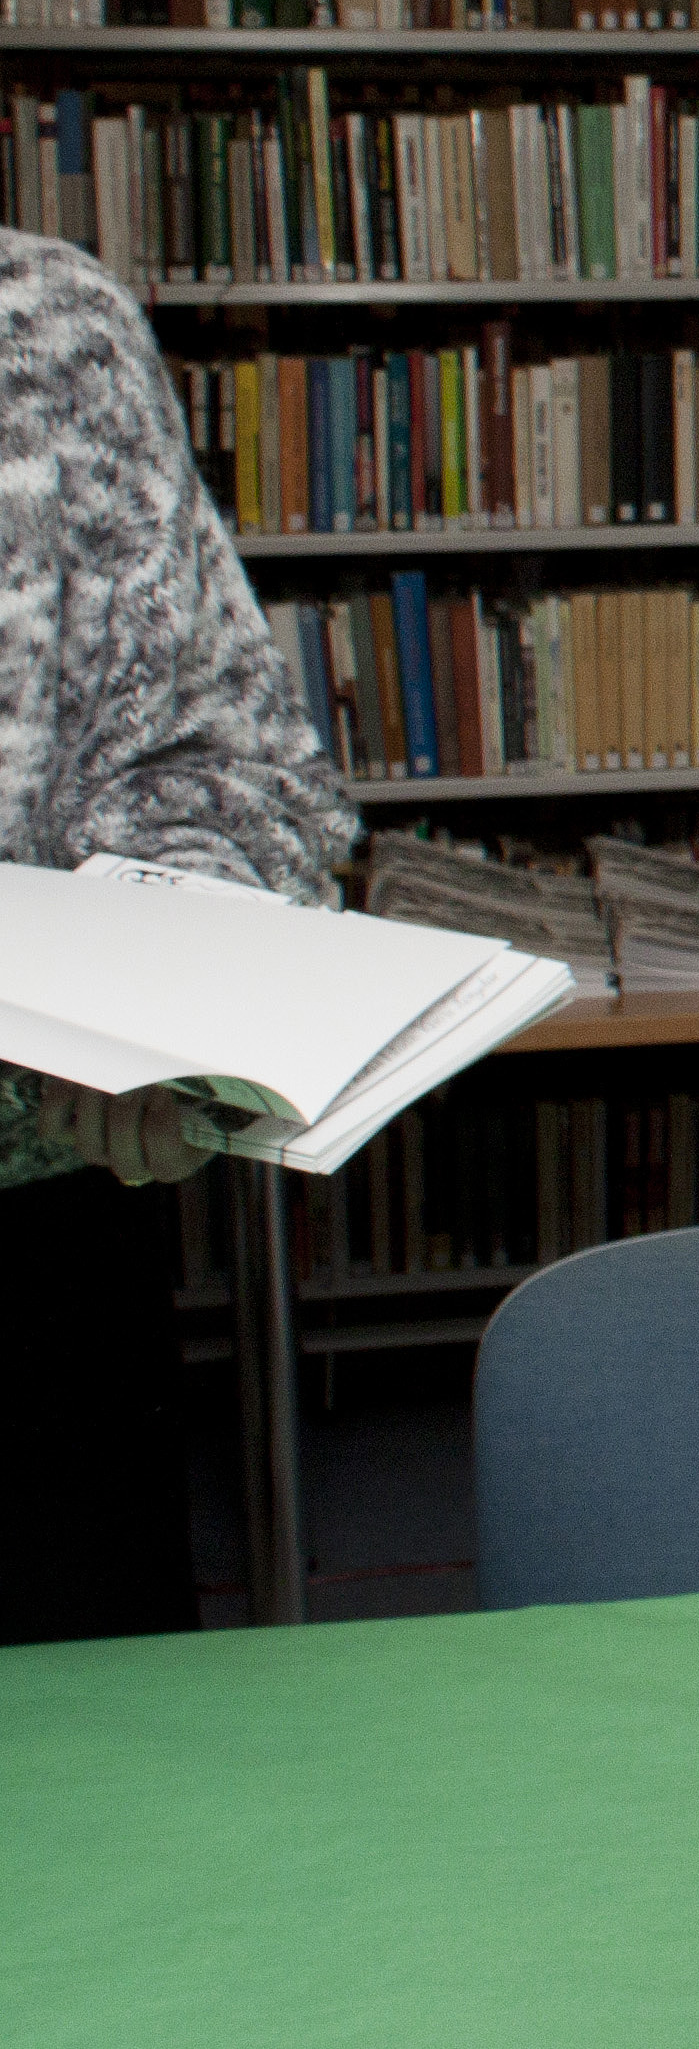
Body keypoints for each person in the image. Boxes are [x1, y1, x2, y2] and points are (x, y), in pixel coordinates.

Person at [0, 222, 359, 1640]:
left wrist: (156, 992)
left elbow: (227, 767)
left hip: (36, 1240)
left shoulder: (48, 330)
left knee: (98, 1768)